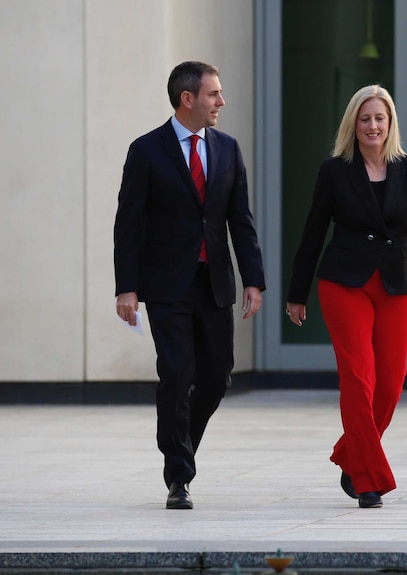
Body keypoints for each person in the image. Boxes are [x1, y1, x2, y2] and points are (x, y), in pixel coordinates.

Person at [285, 85, 407, 509]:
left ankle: (349, 454)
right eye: (365, 119)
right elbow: (313, 232)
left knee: (390, 386)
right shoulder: (335, 170)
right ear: (353, 126)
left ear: (390, 123)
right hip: (344, 283)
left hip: (397, 284)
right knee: (359, 380)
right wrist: (296, 293)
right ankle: (369, 480)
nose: (373, 125)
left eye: (379, 118)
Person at [114, 61, 265, 510]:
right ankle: (178, 475)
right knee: (177, 374)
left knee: (216, 380)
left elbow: (241, 220)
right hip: (167, 286)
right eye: (214, 94)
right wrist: (127, 288)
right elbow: (129, 224)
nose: (221, 101)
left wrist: (253, 280)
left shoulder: (227, 148)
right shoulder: (146, 151)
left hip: (215, 283)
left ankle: (182, 449)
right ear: (188, 99)